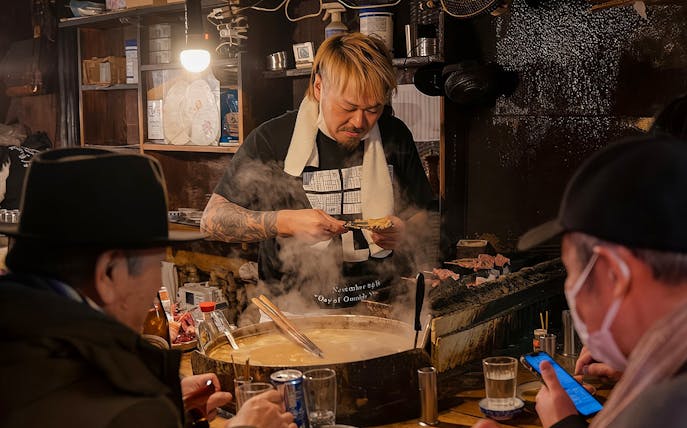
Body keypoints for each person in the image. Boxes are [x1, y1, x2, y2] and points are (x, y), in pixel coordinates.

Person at [0, 147, 295, 428]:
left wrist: (167, 413)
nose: (156, 283)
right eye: (156, 265)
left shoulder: (23, 343)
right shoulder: (118, 406)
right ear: (109, 273)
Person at [202, 32, 435, 308]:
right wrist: (284, 223)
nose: (360, 122)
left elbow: (426, 216)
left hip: (380, 306)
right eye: (348, 107)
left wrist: (404, 230)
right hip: (293, 310)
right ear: (318, 87)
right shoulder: (272, 138)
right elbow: (212, 221)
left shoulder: (395, 135)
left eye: (373, 109)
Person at [481, 134, 687, 428]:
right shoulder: (670, 373)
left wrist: (564, 425)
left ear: (615, 274)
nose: (573, 287)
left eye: (574, 271)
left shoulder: (663, 406)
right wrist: (634, 372)